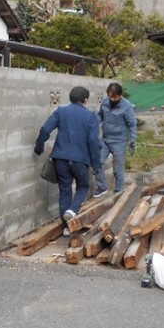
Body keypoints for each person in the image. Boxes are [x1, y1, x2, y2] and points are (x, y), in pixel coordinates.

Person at [34, 86, 101, 236]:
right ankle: (72, 210)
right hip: (80, 160)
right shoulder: (91, 116)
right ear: (85, 100)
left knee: (65, 190)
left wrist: (39, 147)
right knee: (83, 186)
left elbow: (45, 129)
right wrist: (96, 165)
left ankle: (66, 228)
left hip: (60, 159)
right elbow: (93, 142)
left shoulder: (61, 111)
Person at [93, 82, 138, 197]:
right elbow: (100, 115)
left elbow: (132, 124)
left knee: (118, 168)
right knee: (96, 162)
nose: (112, 99)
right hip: (105, 139)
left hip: (119, 141)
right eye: (110, 96)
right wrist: (93, 123)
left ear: (120, 95)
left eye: (115, 97)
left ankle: (119, 192)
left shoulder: (126, 106)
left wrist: (132, 140)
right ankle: (102, 187)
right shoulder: (105, 102)